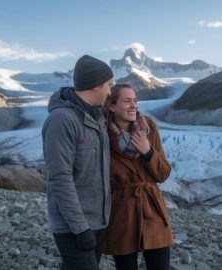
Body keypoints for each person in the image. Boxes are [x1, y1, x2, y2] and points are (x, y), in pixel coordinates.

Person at [42, 55, 113, 270]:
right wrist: (80, 228)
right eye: (109, 85)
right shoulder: (61, 120)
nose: (110, 92)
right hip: (74, 226)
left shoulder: (97, 118)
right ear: (95, 86)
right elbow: (59, 178)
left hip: (97, 221)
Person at [103, 84, 173, 270]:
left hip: (152, 211)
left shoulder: (148, 127)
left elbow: (163, 174)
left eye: (135, 101)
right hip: (121, 213)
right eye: (127, 101)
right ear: (111, 105)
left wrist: (148, 152)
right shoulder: (101, 134)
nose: (133, 105)